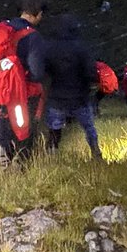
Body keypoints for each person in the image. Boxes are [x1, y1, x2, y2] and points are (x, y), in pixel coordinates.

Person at [0, 0, 46, 167]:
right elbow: (36, 70)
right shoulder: (32, 36)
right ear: (38, 13)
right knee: (23, 128)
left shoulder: (3, 28)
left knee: (4, 120)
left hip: (0, 87)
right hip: (23, 91)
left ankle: (2, 161)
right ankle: (19, 166)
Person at [43, 15, 102, 159]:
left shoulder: (50, 48)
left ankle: (52, 156)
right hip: (80, 97)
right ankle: (96, 154)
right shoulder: (82, 48)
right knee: (89, 128)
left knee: (54, 129)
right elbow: (91, 73)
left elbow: (44, 72)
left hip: (56, 97)